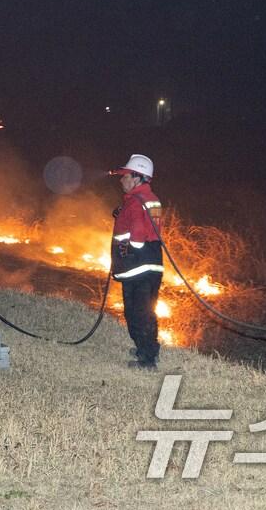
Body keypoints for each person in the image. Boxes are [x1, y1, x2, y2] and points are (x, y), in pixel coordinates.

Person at [109, 154, 165, 370]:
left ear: (137, 178)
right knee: (147, 310)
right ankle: (148, 349)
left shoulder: (134, 202)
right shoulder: (152, 199)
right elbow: (151, 225)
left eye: (125, 176)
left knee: (135, 312)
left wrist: (130, 251)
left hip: (138, 266)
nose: (121, 179)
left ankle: (147, 360)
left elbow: (139, 233)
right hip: (152, 264)